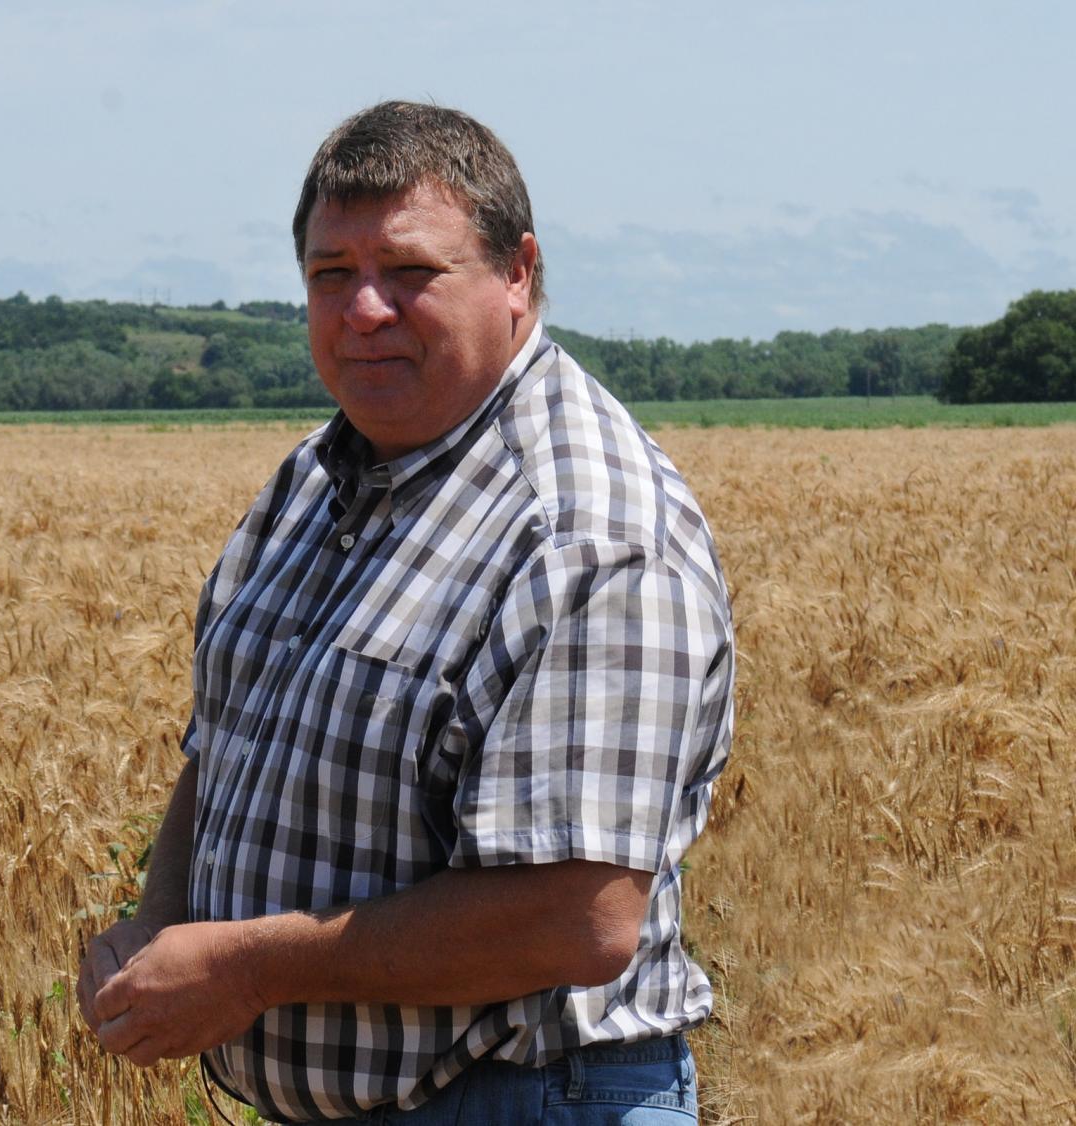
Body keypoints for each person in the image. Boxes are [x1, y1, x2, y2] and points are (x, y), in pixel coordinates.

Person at [78, 100, 734, 1125]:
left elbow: (578, 917)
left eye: (411, 272)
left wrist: (248, 969)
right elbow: (223, 744)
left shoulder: (585, 533)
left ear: (518, 273)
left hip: (531, 1101)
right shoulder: (314, 476)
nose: (364, 310)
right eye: (330, 275)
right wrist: (156, 924)